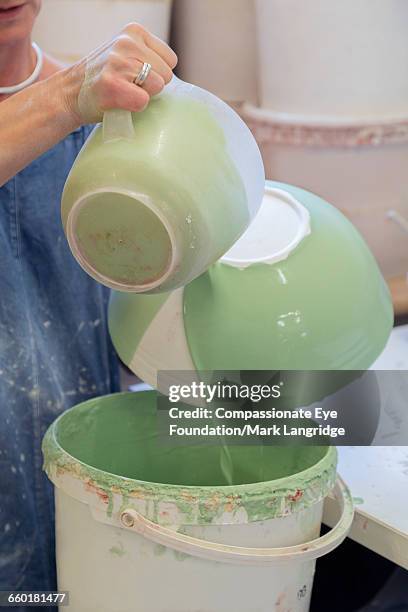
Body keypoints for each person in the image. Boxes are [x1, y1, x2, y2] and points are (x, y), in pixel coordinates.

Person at [0, 1, 177, 608]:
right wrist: (67, 94)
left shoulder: (103, 125)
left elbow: (155, 335)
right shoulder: (78, 100)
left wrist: (293, 407)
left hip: (88, 505)